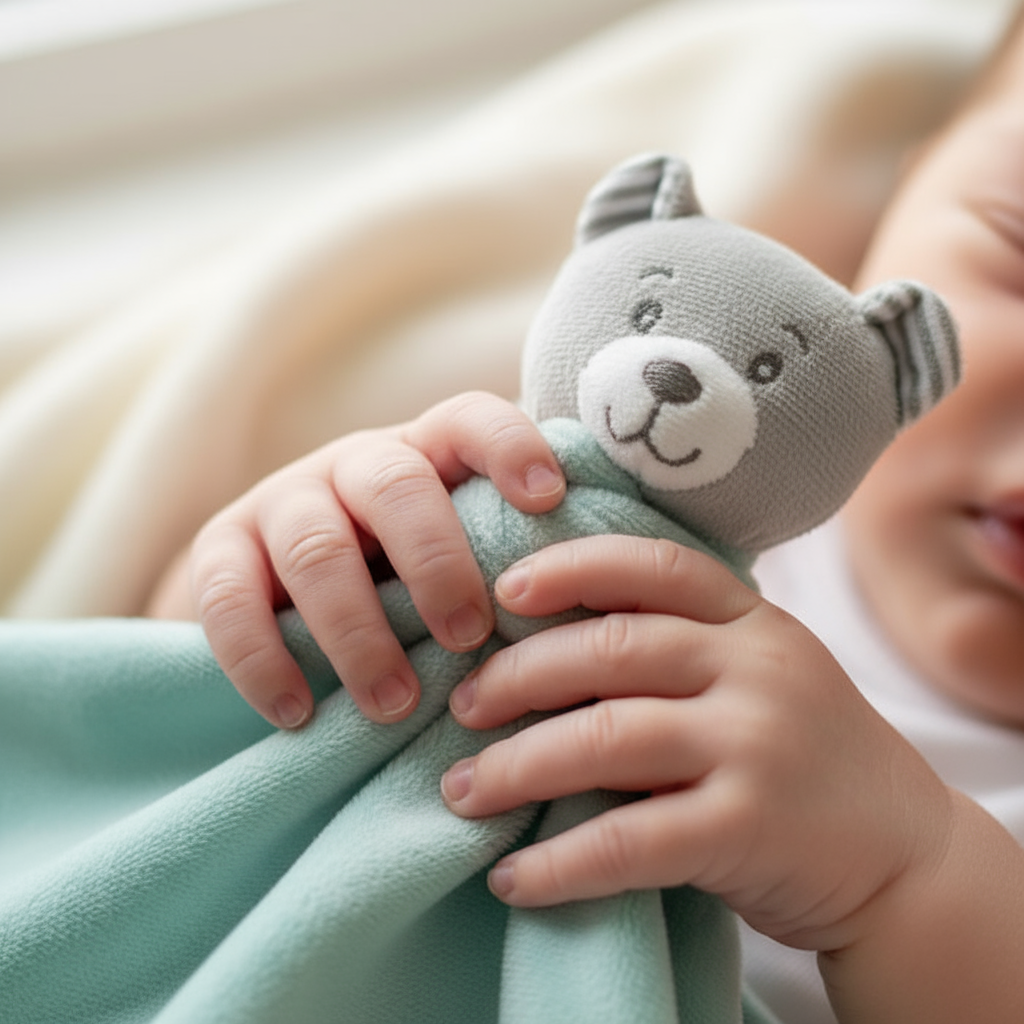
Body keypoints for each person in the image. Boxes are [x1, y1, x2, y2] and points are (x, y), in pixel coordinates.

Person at [148, 10, 1024, 1022]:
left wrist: (907, 871)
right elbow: (174, 752)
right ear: (902, 206)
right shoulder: (636, 475)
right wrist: (287, 560)